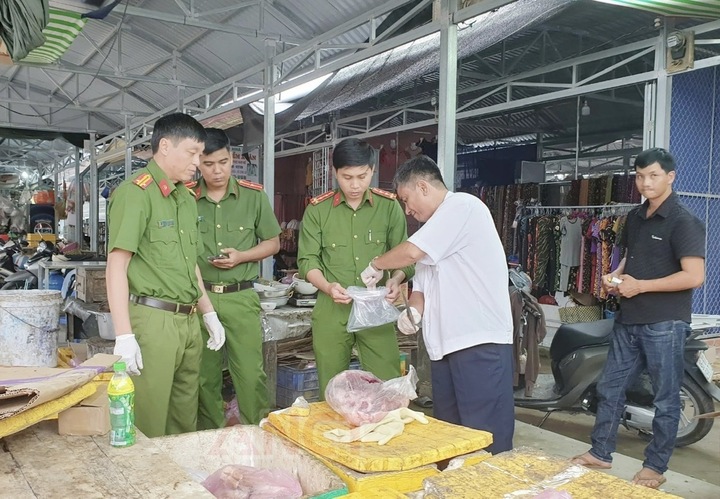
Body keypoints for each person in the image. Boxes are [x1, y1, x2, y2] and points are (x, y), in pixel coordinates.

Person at [361, 155, 514, 454]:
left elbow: (411, 253)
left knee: (484, 436)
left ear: (423, 186)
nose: (407, 210)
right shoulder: (434, 230)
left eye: (407, 200)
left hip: (478, 342)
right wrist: (414, 311)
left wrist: (377, 264)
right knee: (449, 435)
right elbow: (423, 286)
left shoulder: (463, 207)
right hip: (445, 347)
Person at [571, 148, 705, 489]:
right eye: (640, 176)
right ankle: (600, 452)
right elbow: (630, 258)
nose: (646, 183)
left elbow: (694, 276)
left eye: (654, 176)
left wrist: (641, 286)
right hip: (629, 318)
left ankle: (654, 468)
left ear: (670, 177)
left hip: (665, 323)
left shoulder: (684, 221)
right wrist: (615, 277)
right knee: (609, 387)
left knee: (665, 398)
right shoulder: (635, 216)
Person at [106, 112, 226, 438]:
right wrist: (124, 335)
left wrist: (208, 312)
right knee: (149, 419)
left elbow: (189, 264)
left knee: (183, 419)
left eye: (200, 154)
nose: (198, 163)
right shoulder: (136, 193)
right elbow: (117, 265)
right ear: (165, 146)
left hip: (188, 322)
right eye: (192, 153)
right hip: (153, 320)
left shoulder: (185, 197)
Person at [298, 138, 414, 397]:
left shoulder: (388, 207)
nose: (355, 185)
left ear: (372, 170)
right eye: (347, 177)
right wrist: (328, 287)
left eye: (362, 176)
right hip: (332, 308)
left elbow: (405, 257)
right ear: (335, 172)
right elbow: (307, 261)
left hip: (375, 308)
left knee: (387, 384)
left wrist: (395, 279)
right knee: (332, 389)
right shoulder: (318, 210)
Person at [188, 128, 281, 427]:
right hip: (200, 299)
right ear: (198, 163)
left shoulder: (253, 197)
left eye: (223, 162)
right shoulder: (185, 197)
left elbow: (273, 243)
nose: (217, 171)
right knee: (205, 376)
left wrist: (242, 256)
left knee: (251, 374)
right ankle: (211, 438)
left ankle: (257, 433)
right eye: (208, 164)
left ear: (232, 158)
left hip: (240, 297)